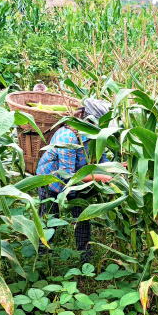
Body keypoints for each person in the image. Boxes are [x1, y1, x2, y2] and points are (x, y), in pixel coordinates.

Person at [36, 99, 112, 262]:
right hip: (52, 181)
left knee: (83, 216)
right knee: (50, 220)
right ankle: (43, 259)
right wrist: (100, 177)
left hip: (80, 182)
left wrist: (116, 167)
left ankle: (85, 257)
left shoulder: (96, 136)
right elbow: (68, 175)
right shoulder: (67, 137)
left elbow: (101, 159)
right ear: (88, 121)